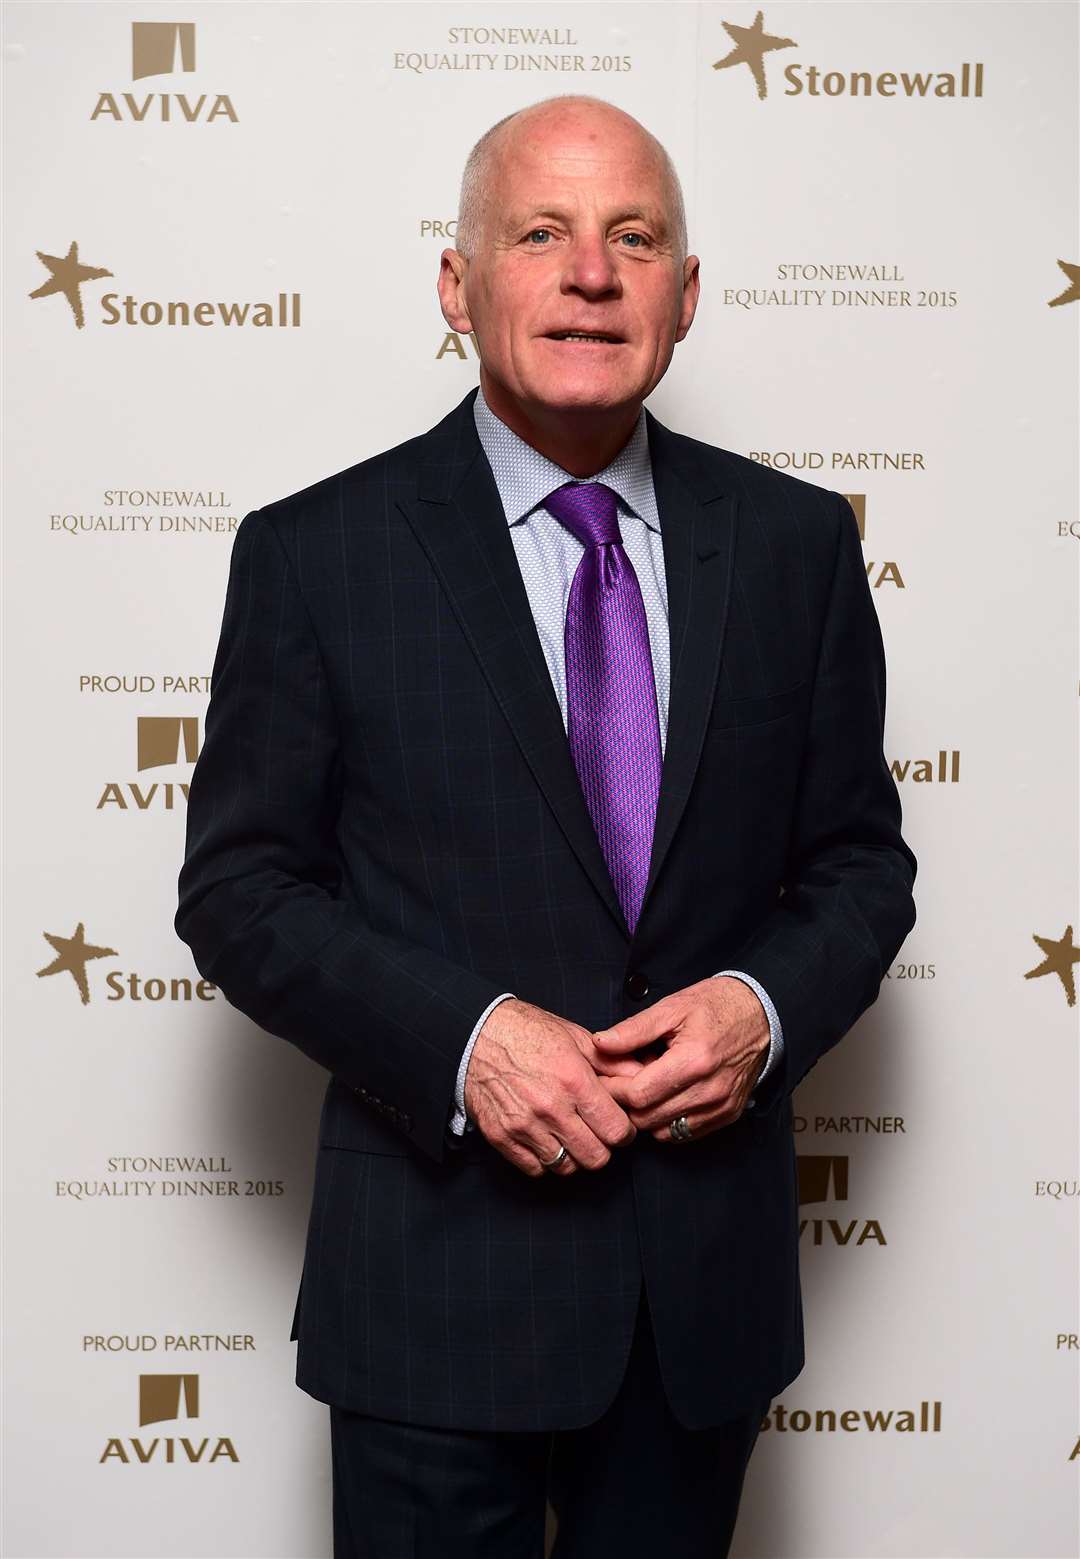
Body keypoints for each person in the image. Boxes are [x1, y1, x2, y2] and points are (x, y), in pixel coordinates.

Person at [176, 93, 917, 1558]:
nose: (592, 272)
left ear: (684, 296)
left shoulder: (795, 551)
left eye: (634, 237)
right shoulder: (316, 554)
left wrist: (763, 1007)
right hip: (433, 1298)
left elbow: (858, 865)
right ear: (457, 285)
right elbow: (242, 887)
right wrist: (463, 1040)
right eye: (541, 233)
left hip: (699, 1306)